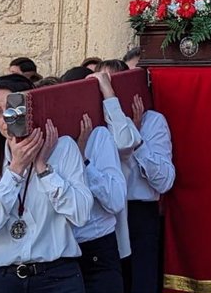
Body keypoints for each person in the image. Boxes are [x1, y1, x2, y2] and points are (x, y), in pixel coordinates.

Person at [0, 74, 92, 293]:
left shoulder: (63, 148)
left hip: (57, 277)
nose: (5, 119)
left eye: (12, 109)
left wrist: (43, 169)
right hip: (4, 277)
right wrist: (15, 169)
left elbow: (82, 214)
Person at [95, 61, 173, 293]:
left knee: (141, 282)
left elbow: (165, 181)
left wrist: (136, 141)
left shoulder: (153, 121)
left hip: (138, 214)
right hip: (104, 212)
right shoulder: (95, 123)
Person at [72, 110, 127, 293]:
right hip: (58, 256)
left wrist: (82, 159)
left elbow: (116, 201)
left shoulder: (98, 136)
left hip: (96, 248)